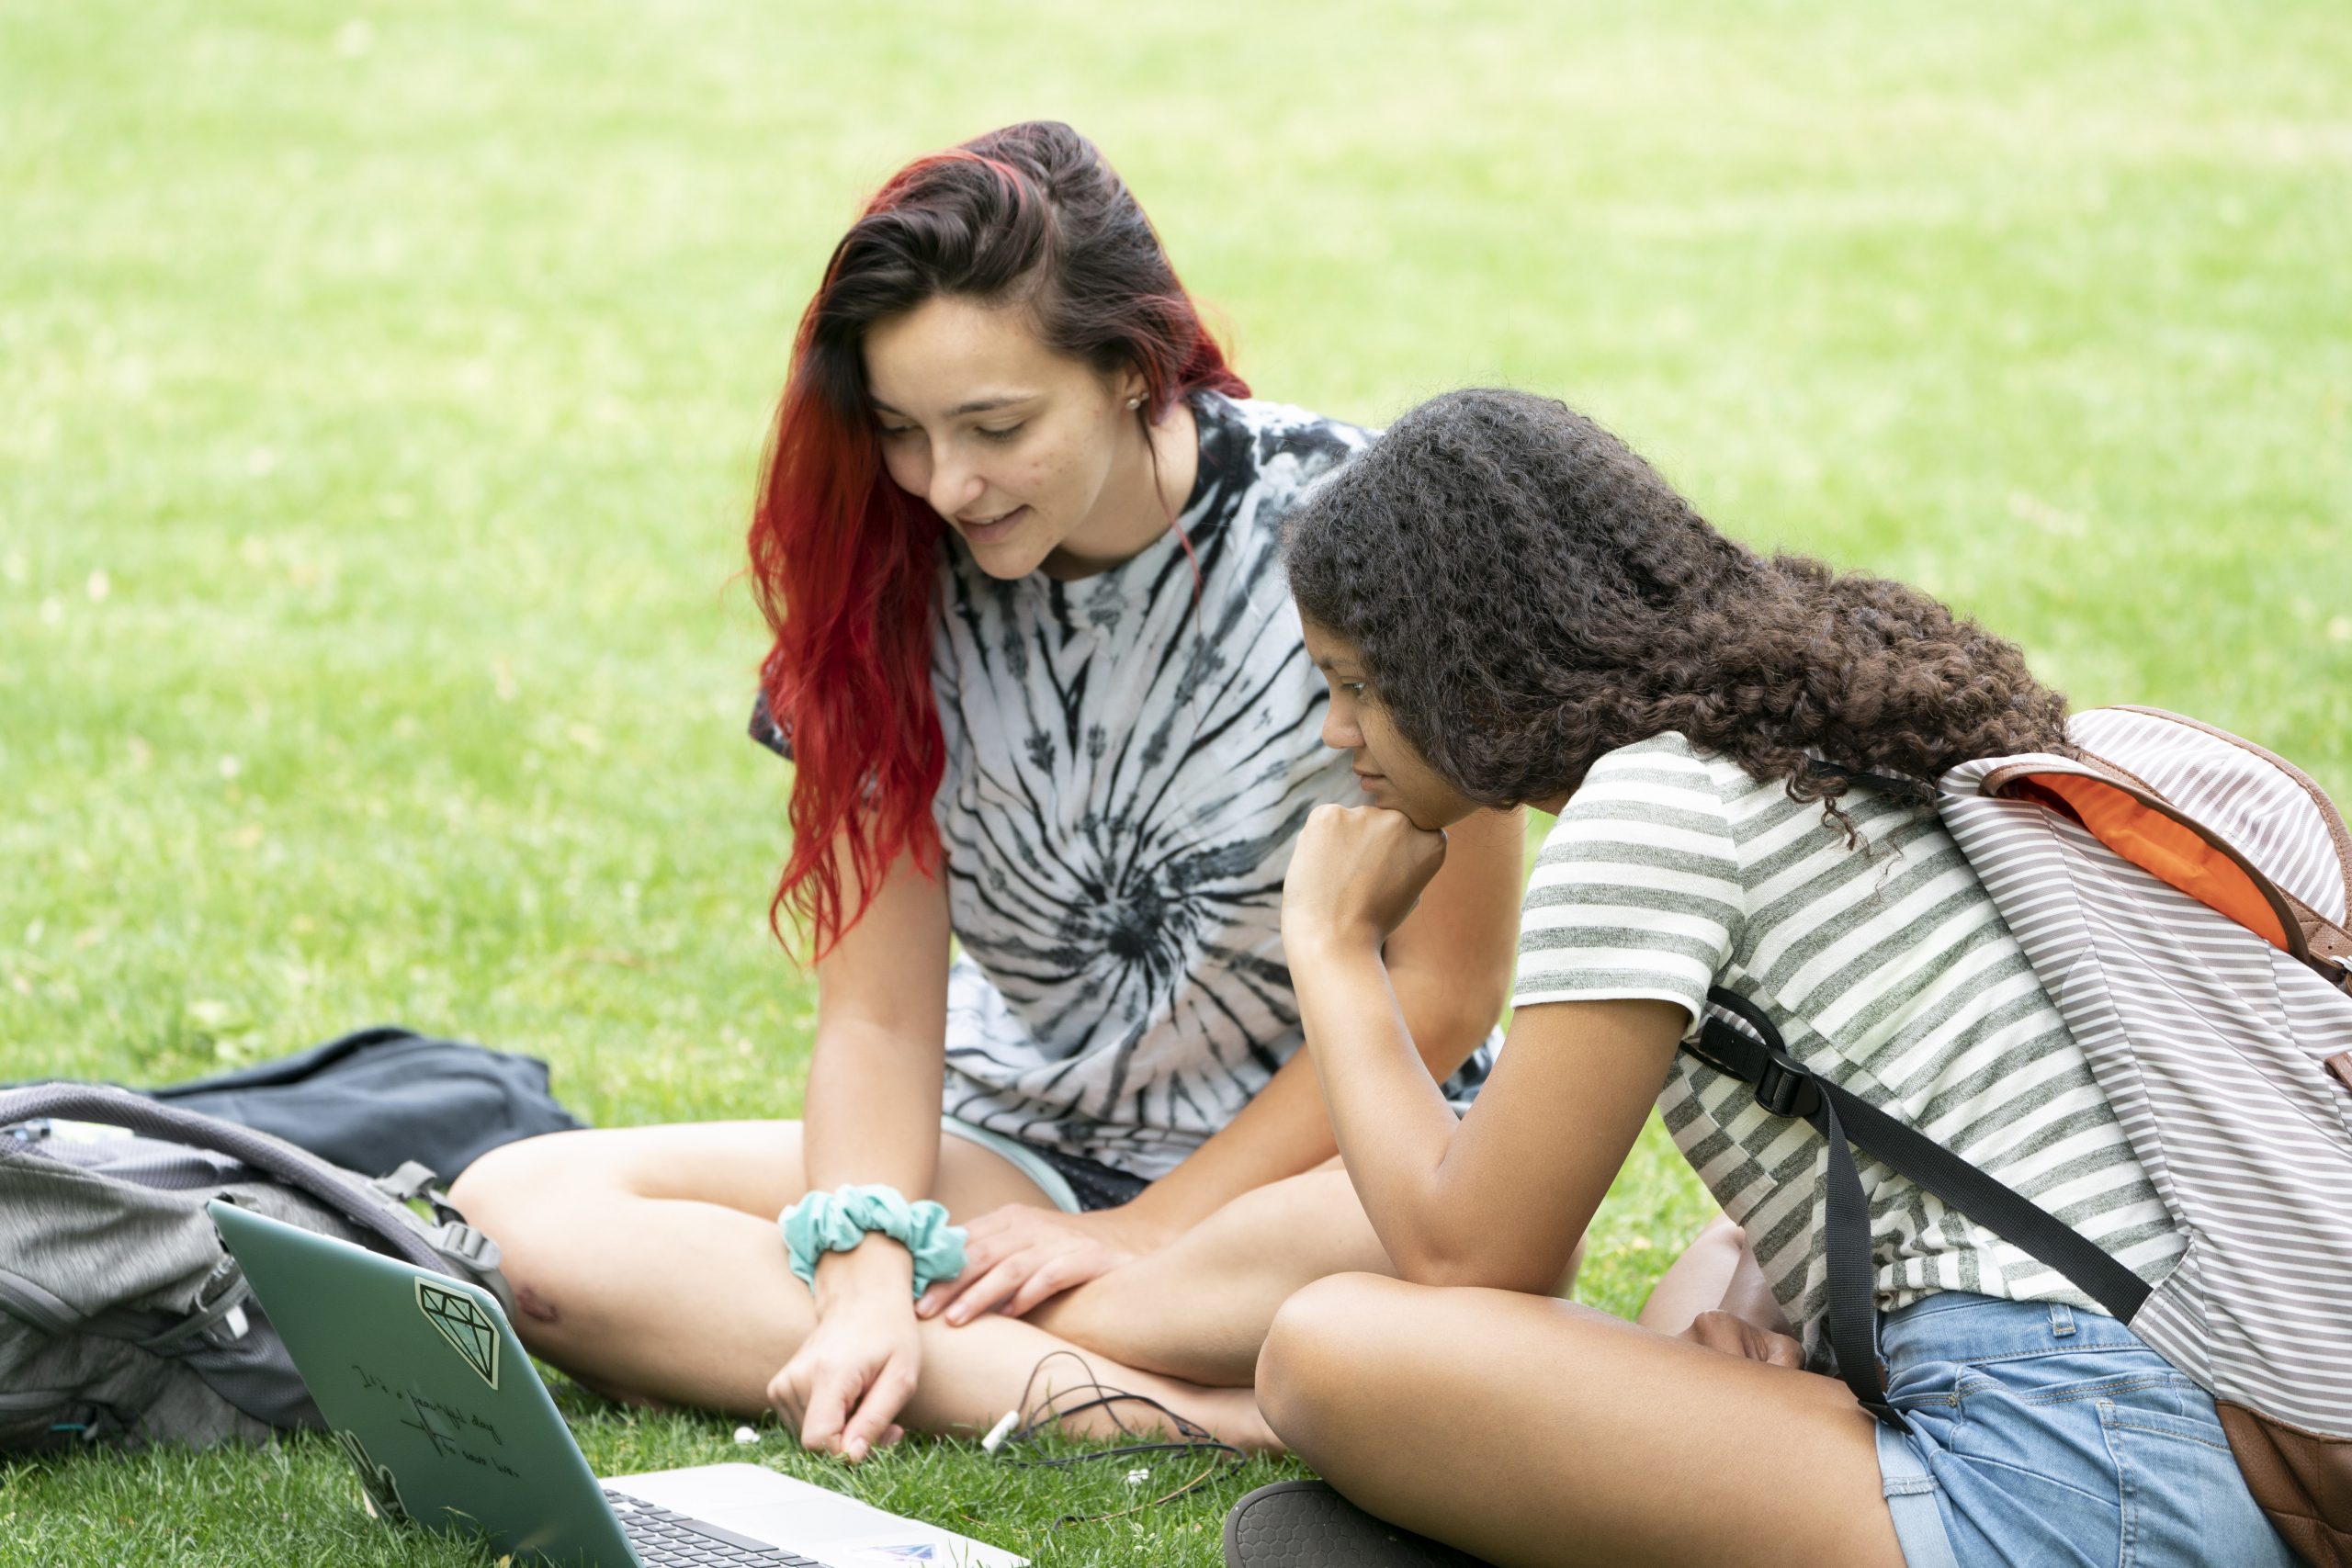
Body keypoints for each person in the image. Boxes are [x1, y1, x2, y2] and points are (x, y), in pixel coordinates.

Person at [449, 124, 1524, 1461]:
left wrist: (1141, 1231)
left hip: (1325, 1166)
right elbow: (880, 1019)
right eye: (902, 431)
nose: (945, 484)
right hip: (1016, 1154)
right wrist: (862, 1271)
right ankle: (1186, 1409)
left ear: (1132, 367)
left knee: (1464, 1239)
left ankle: (1016, 1341)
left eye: (997, 427)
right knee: (515, 1211)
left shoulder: (1371, 533)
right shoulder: (884, 574)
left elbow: (1448, 990)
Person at [1241, 388, 2296, 1566]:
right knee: (1702, 1288)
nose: (1338, 732)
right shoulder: (1798, 739)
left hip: (2069, 1471)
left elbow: (1469, 1258)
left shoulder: (1650, 806)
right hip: (2190, 1435)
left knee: (1326, 1346)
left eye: (1358, 684)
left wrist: (1333, 947)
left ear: (1468, 666)